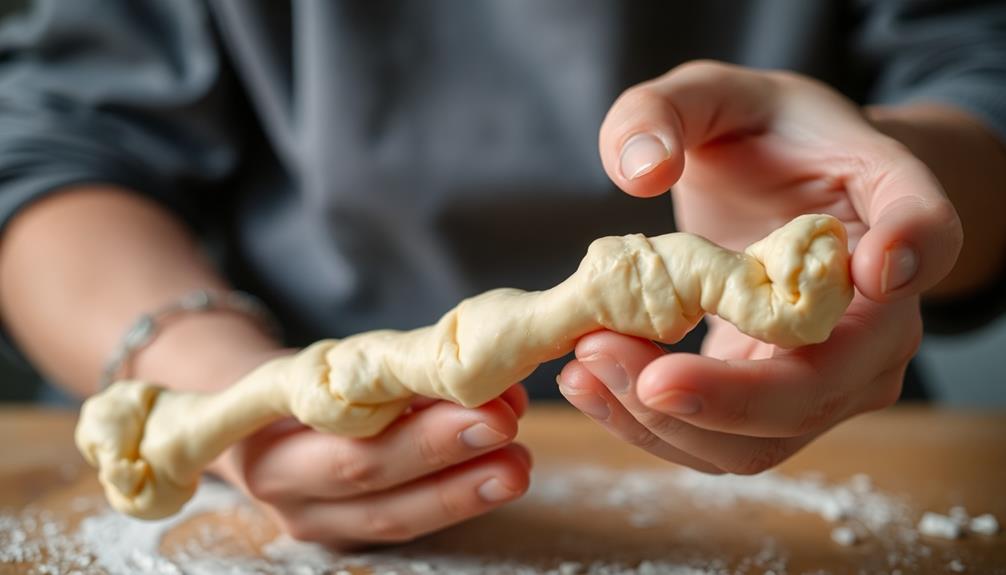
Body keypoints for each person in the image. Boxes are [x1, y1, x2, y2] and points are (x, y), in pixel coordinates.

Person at [1, 0, 1004, 548]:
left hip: (832, 423)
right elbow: (54, 140)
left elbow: (978, 68)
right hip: (230, 370)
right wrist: (203, 374)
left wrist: (888, 192)